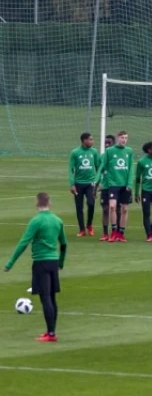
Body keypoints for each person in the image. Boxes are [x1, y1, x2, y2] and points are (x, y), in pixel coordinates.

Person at [3, 193, 67, 342]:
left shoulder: (36, 221)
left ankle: (51, 334)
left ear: (37, 203)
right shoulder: (58, 220)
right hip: (53, 262)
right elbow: (64, 244)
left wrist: (10, 263)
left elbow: (24, 243)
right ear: (49, 203)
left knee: (45, 298)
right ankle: (51, 331)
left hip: (41, 263)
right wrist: (61, 263)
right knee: (52, 297)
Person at [96, 131, 134, 243]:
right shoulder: (109, 151)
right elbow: (103, 166)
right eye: (122, 137)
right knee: (112, 207)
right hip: (113, 184)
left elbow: (131, 168)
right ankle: (113, 231)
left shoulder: (129, 151)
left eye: (126, 138)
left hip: (125, 185)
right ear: (118, 138)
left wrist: (130, 184)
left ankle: (121, 233)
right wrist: (96, 181)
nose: (124, 140)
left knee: (125, 209)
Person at [68, 132, 100, 236]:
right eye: (90, 139)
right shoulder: (75, 152)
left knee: (91, 204)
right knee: (79, 206)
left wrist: (98, 182)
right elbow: (71, 169)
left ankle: (89, 225)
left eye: (92, 139)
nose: (92, 141)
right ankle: (82, 229)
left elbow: (98, 167)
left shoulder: (94, 152)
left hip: (90, 184)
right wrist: (72, 184)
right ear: (84, 140)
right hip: (78, 184)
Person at [96, 135, 118, 241]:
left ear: (114, 143)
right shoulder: (102, 157)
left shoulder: (118, 156)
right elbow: (100, 171)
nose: (107, 145)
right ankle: (105, 233)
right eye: (105, 143)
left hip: (117, 186)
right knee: (105, 209)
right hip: (105, 186)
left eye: (109, 142)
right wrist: (98, 184)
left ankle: (117, 232)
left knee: (117, 209)